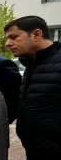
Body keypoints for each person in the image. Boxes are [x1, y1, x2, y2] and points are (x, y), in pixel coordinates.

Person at [4, 15, 61, 159]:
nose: (7, 43)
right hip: (34, 148)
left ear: (36, 35)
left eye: (13, 37)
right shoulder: (32, 62)